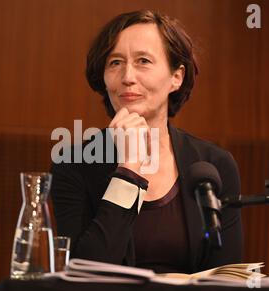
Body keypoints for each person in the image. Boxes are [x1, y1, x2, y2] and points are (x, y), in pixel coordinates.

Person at [50, 10, 242, 274]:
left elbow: (226, 277)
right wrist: (129, 170)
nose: (127, 76)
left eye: (143, 61)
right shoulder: (73, 164)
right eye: (115, 62)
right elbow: (85, 274)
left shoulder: (214, 164)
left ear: (177, 77)